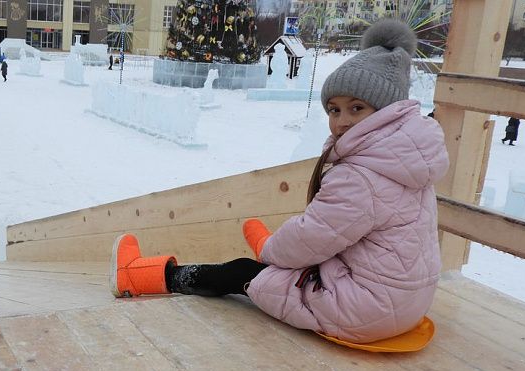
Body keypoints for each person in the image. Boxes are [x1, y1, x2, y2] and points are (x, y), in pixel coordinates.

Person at [109, 20, 449, 345]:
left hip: (363, 310)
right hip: (407, 303)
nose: (341, 122)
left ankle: (138, 276)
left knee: (244, 272)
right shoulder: (408, 158)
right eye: (333, 110)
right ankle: (264, 246)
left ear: (386, 109)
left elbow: (312, 239)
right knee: (284, 255)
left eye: (356, 108)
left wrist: (270, 254)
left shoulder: (360, 176)